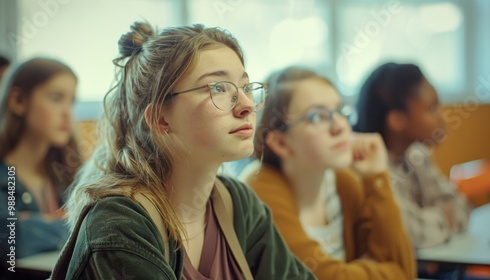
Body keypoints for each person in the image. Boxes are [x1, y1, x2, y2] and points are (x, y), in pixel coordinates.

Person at [51, 22, 315, 279]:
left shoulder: (238, 202)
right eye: (218, 88)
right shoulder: (119, 223)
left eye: (245, 87)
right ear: (161, 119)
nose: (246, 105)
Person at [241, 67, 415, 280]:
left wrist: (377, 177)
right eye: (317, 117)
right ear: (281, 143)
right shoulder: (259, 188)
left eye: (341, 112)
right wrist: (382, 270)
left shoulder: (344, 181)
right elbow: (326, 277)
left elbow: (404, 269)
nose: (340, 127)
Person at [353, 62, 471, 249]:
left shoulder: (416, 153)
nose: (443, 117)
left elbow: (459, 205)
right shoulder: (369, 167)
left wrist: (429, 220)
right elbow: (407, 234)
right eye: (432, 109)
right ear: (397, 120)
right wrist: (444, 217)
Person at [0, 58, 81, 261]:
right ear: (18, 101)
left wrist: (36, 223)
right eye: (56, 98)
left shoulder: (66, 174)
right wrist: (71, 224)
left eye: (71, 101)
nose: (66, 113)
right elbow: (10, 239)